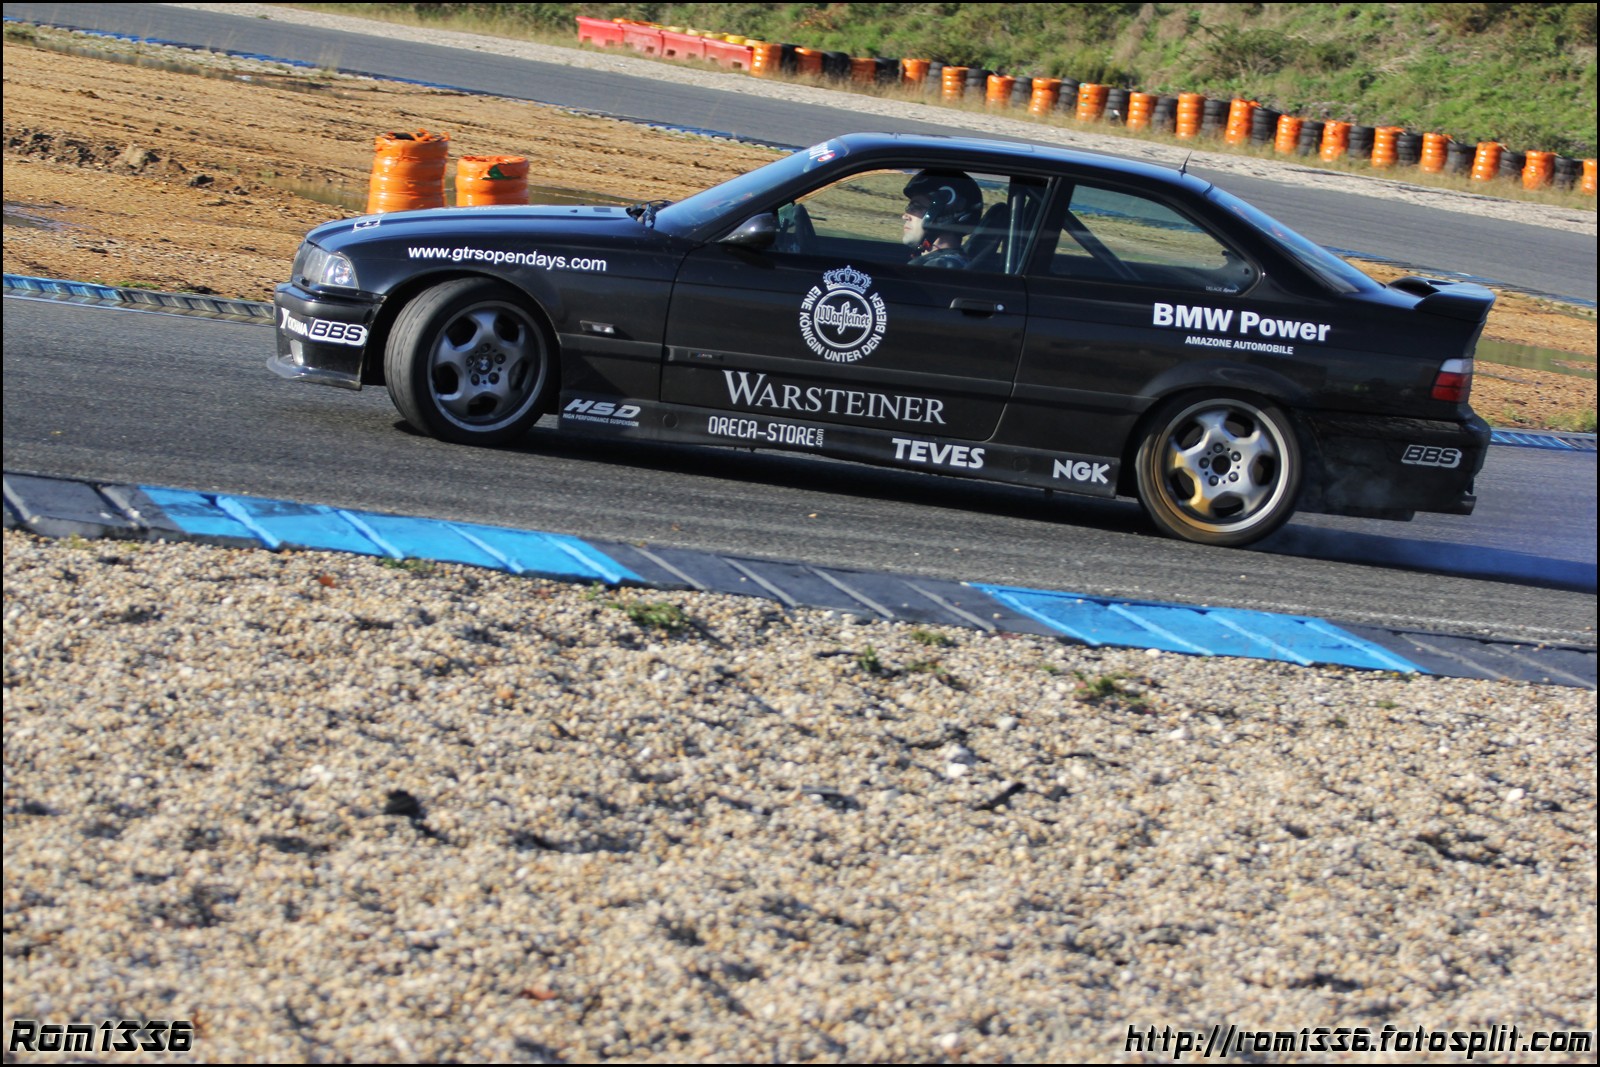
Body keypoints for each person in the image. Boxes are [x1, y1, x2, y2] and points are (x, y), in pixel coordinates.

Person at [902, 170, 983, 268]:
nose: (904, 216)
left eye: (915, 207)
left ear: (942, 217)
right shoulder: (942, 263)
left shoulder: (942, 267)